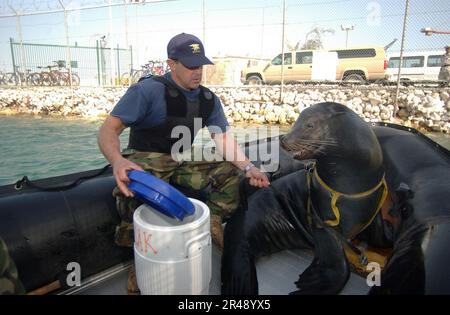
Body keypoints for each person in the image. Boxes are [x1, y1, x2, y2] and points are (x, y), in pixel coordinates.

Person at [97, 33, 270, 294]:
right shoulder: (147, 91)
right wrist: (117, 161)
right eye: (190, 65)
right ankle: (139, 266)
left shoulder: (208, 99)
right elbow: (108, 130)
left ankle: (212, 220)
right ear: (171, 63)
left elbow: (222, 139)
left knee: (231, 171)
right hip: (147, 161)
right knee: (136, 193)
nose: (197, 72)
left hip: (181, 158)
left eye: (200, 65)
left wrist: (249, 167)